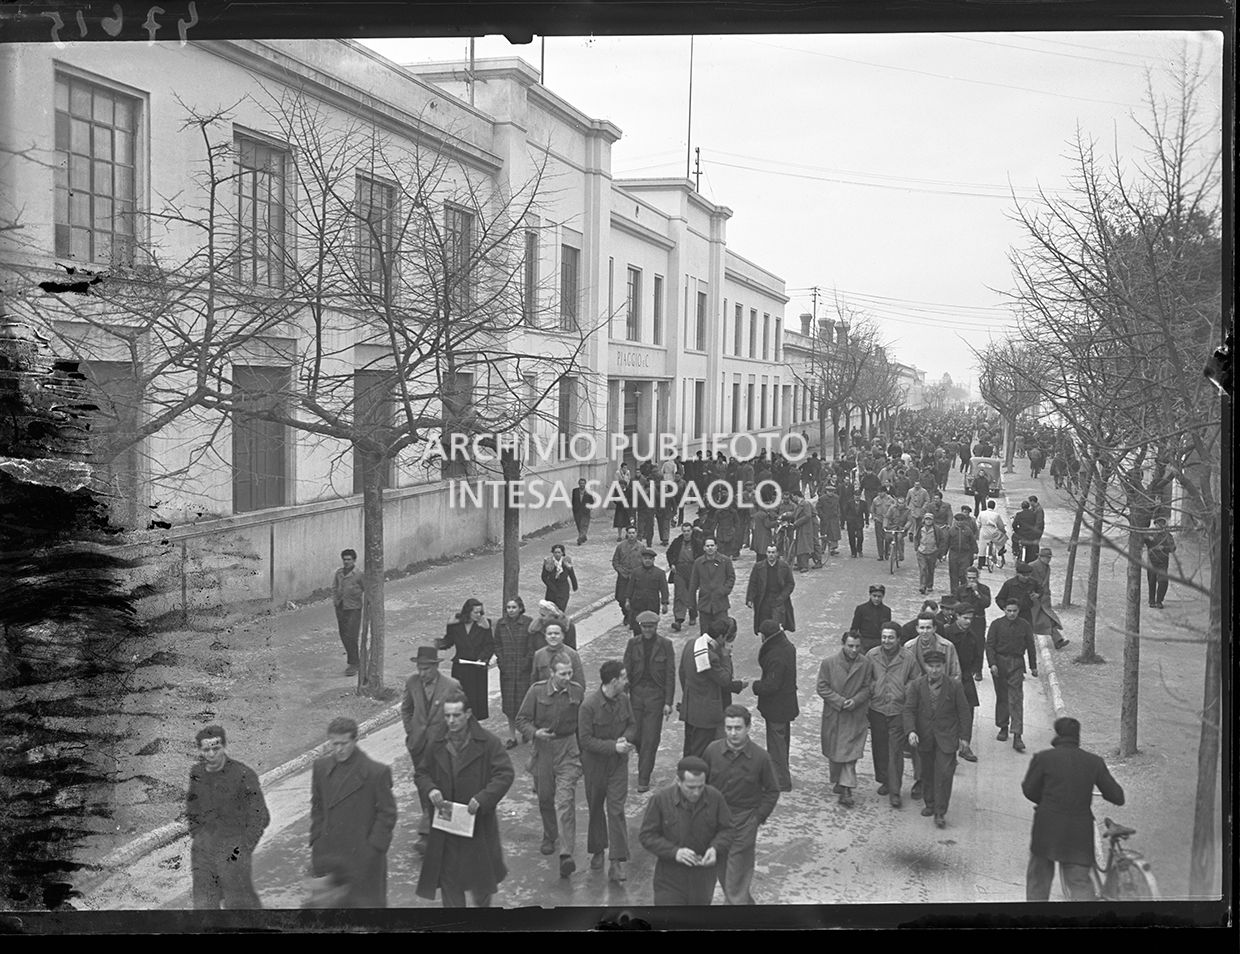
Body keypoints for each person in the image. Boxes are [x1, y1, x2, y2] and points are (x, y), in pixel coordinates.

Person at [414, 690, 516, 908]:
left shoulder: (488, 742)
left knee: (481, 888)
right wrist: (430, 789)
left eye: (456, 715)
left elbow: (505, 773)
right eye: (447, 716)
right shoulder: (436, 742)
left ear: (468, 714)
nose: (451, 721)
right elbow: (422, 773)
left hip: (477, 827)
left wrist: (483, 798)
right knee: (451, 887)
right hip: (447, 829)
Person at [1022, 716, 1126, 901]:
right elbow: (1117, 796)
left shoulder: (1043, 758)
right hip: (1078, 832)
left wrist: (1046, 800)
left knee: (1039, 880)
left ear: (1058, 734)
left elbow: (1029, 789)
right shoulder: (1094, 762)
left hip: (1047, 828)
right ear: (1077, 736)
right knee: (1079, 883)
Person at [309, 716, 397, 907]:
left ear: (355, 740)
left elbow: (387, 813)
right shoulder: (320, 768)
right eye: (334, 744)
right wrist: (317, 838)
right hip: (330, 856)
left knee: (366, 912)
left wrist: (373, 848)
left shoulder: (376, 772)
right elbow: (317, 806)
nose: (339, 749)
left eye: (344, 743)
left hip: (364, 858)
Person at [516, 654, 585, 878]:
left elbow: (583, 723)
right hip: (543, 749)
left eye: (569, 673)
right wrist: (535, 733)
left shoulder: (577, 691)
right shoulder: (536, 691)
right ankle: (549, 834)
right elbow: (521, 720)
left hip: (568, 749)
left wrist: (583, 755)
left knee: (565, 801)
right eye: (562, 673)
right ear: (552, 673)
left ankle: (566, 854)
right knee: (545, 797)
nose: (567, 677)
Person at [703, 705, 780, 905]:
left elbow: (772, 790)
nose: (733, 733)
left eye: (738, 728)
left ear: (748, 728)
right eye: (729, 728)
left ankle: (733, 918)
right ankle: (747, 909)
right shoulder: (712, 751)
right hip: (716, 822)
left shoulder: (760, 757)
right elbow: (701, 785)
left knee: (736, 875)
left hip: (744, 821)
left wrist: (757, 818)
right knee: (723, 871)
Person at [186, 725, 270, 909]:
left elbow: (261, 816)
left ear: (224, 747)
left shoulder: (243, 775)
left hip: (233, 850)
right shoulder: (197, 773)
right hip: (203, 850)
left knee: (240, 906)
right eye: (206, 749)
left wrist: (243, 848)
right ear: (200, 750)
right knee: (204, 906)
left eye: (216, 748)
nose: (211, 754)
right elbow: (192, 806)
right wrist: (198, 835)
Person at [639, 756, 735, 906]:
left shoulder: (715, 797)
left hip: (703, 879)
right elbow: (647, 835)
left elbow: (728, 829)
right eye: (690, 787)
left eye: (700, 786)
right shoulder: (660, 800)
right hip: (669, 878)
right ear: (678, 781)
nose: (696, 793)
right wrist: (674, 852)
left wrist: (716, 848)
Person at [578, 660, 637, 884]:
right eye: (623, 677)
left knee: (616, 809)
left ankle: (616, 861)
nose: (626, 681)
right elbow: (585, 740)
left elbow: (632, 725)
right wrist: (613, 746)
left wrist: (626, 738)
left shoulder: (624, 700)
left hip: (618, 764)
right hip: (595, 765)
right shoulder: (588, 706)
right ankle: (597, 850)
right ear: (613, 681)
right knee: (595, 807)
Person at [401, 646, 464, 854]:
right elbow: (407, 709)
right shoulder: (412, 682)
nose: (422, 673)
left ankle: (434, 834)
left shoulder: (452, 685)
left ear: (436, 667)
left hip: (443, 747)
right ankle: (432, 829)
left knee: (443, 787)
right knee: (424, 787)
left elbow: (461, 713)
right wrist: (411, 731)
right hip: (418, 745)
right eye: (419, 668)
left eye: (426, 669)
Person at [903, 650, 972, 829]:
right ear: (925, 667)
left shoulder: (954, 686)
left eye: (938, 667)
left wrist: (964, 737)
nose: (934, 670)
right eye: (931, 667)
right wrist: (911, 731)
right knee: (927, 773)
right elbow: (909, 709)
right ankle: (930, 803)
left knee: (944, 774)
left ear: (944, 667)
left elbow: (964, 712)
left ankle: (940, 812)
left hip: (947, 738)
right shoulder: (917, 685)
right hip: (924, 737)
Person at [816, 631, 875, 807]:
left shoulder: (865, 663)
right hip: (835, 714)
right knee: (835, 752)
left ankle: (847, 789)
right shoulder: (829, 663)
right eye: (850, 646)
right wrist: (841, 702)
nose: (854, 650)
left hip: (855, 714)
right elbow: (822, 687)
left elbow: (868, 687)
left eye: (857, 646)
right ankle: (838, 781)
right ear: (843, 644)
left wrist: (856, 700)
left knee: (850, 753)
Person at [623, 610, 677, 793]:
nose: (647, 630)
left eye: (651, 627)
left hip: (656, 696)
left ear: (656, 626)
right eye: (644, 627)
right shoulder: (632, 644)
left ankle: (643, 778)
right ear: (640, 627)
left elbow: (670, 674)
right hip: (636, 694)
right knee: (635, 736)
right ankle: (643, 757)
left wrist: (668, 702)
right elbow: (626, 670)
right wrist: (623, 696)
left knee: (651, 739)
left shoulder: (666, 645)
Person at [679, 619, 742, 759]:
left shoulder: (691, 644)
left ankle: (685, 773)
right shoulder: (711, 656)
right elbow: (725, 680)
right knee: (701, 750)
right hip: (705, 711)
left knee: (689, 745)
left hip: (690, 706)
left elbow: (682, 672)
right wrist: (725, 656)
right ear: (721, 637)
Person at [749, 619, 799, 792]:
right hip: (786, 703)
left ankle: (781, 780)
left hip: (776, 706)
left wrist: (756, 686)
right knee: (782, 742)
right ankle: (780, 776)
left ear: (765, 635)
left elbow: (772, 685)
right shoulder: (787, 647)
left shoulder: (775, 654)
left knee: (776, 744)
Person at [986, 599, 1039, 754]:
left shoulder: (1025, 625)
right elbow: (989, 645)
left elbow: (1030, 645)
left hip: (1016, 663)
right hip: (1000, 663)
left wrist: (1033, 666)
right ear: (1004, 610)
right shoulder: (996, 625)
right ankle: (1003, 726)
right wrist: (992, 664)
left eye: (1014, 611)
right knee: (1002, 697)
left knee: (1015, 698)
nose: (1011, 613)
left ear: (1018, 610)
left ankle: (1017, 735)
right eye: (1008, 610)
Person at [438, 598, 495, 720]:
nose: (479, 615)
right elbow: (449, 640)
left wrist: (482, 658)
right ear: (468, 611)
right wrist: (437, 644)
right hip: (460, 668)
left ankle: (475, 732)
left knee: (475, 706)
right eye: (476, 612)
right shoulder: (456, 625)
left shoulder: (485, 625)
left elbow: (489, 645)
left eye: (480, 612)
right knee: (460, 702)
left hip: (477, 669)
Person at [940, 602, 980, 762]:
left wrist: (972, 671)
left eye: (970, 618)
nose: (968, 622)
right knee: (948, 715)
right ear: (957, 617)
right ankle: (948, 751)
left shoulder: (972, 635)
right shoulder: (947, 633)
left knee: (967, 713)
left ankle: (965, 746)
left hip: (965, 679)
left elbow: (978, 655)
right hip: (948, 678)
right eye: (965, 618)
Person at [493, 598, 534, 749]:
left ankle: (525, 730)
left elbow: (532, 647)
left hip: (523, 672)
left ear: (520, 608)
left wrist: (526, 663)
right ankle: (512, 737)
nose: (510, 610)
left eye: (513, 607)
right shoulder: (501, 625)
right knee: (509, 705)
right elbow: (497, 645)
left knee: (524, 703)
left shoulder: (528, 623)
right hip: (508, 672)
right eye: (508, 607)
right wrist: (502, 663)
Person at [745, 543, 797, 636]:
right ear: (766, 553)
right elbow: (753, 583)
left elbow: (790, 584)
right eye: (769, 552)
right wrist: (750, 598)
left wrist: (782, 598)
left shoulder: (784, 566)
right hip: (763, 600)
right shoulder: (758, 567)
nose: (771, 555)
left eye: (773, 552)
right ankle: (765, 645)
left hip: (778, 600)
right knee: (764, 626)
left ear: (777, 553)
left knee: (777, 626)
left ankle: (776, 644)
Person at [687, 537, 737, 636]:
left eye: (712, 545)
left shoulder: (725, 561)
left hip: (720, 604)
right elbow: (693, 583)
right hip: (705, 604)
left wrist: (723, 590)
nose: (710, 548)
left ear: (716, 547)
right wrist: (691, 603)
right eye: (707, 546)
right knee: (705, 635)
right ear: (704, 548)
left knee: (722, 634)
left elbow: (731, 578)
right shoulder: (698, 563)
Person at [954, 566, 992, 682]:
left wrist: (977, 592)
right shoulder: (960, 589)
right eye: (969, 578)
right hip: (964, 620)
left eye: (974, 578)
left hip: (978, 620)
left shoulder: (984, 589)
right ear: (966, 577)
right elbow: (955, 604)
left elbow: (987, 603)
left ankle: (978, 670)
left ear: (978, 578)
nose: (971, 580)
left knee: (979, 644)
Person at [1029, 547, 1070, 650]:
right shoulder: (1032, 566)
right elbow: (1028, 582)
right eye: (1046, 557)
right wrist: (1033, 594)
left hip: (1044, 599)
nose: (1048, 559)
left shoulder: (1047, 568)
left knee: (1048, 620)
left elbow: (1046, 584)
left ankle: (1058, 640)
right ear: (1041, 557)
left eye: (1049, 558)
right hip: (1035, 600)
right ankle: (1057, 640)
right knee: (1043, 621)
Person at [331, 548, 364, 676]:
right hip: (340, 607)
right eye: (344, 559)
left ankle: (354, 663)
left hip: (354, 608)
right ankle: (354, 660)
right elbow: (334, 587)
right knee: (343, 635)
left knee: (352, 635)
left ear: (354, 560)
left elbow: (366, 588)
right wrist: (335, 601)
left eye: (349, 559)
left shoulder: (359, 574)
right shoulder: (339, 573)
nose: (346, 562)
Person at [625, 545, 670, 635]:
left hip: (652, 604)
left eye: (650, 558)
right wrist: (627, 600)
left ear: (653, 560)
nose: (647, 560)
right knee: (637, 628)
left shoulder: (659, 573)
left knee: (651, 628)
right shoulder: (636, 572)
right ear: (642, 559)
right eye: (645, 558)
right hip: (637, 604)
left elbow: (664, 589)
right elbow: (630, 587)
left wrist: (664, 603)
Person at [667, 522, 702, 631]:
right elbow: (669, 553)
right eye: (684, 531)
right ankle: (679, 619)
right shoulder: (677, 542)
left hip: (692, 570)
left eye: (688, 531)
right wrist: (672, 564)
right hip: (679, 570)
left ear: (692, 531)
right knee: (679, 594)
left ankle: (692, 614)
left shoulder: (697, 543)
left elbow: (701, 557)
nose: (686, 533)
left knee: (691, 593)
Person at [529, 621, 585, 688]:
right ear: (545, 637)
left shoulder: (572, 654)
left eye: (556, 633)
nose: (553, 636)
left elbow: (579, 682)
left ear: (563, 636)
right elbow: (534, 681)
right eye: (549, 634)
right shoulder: (539, 654)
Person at [612, 526, 644, 625]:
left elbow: (645, 561)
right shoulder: (621, 546)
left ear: (636, 534)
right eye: (629, 533)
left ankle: (631, 617)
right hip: (623, 577)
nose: (631, 535)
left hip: (636, 577)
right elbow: (615, 561)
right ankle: (626, 613)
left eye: (633, 533)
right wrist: (621, 572)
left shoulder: (641, 547)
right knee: (621, 598)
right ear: (626, 534)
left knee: (634, 599)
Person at [850, 584, 893, 655]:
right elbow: (854, 628)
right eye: (874, 596)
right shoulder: (861, 609)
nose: (876, 598)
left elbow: (888, 629)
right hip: (864, 642)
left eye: (879, 596)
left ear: (883, 596)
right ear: (870, 595)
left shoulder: (886, 610)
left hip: (880, 642)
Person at [1145, 517, 1176, 609]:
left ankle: (1159, 600)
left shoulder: (1168, 536)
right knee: (1151, 581)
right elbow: (1141, 539)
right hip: (1151, 561)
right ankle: (1151, 601)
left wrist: (1164, 548)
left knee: (1163, 582)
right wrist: (1147, 537)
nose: (1159, 526)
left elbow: (1173, 548)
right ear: (1155, 524)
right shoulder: (1150, 534)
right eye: (1157, 524)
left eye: (1161, 524)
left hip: (1163, 562)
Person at [914, 513, 948, 595]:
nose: (928, 521)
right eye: (926, 519)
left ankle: (929, 585)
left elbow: (942, 540)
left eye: (930, 519)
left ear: (933, 521)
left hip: (932, 552)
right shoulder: (920, 528)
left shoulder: (937, 530)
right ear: (924, 520)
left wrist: (940, 552)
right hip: (921, 551)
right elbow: (916, 537)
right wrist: (916, 547)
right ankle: (922, 586)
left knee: (930, 569)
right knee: (923, 568)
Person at [945, 511, 978, 593]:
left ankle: (963, 592)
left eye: (961, 520)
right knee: (953, 574)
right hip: (954, 554)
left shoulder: (968, 530)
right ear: (955, 521)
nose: (960, 522)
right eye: (958, 520)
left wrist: (975, 552)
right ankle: (954, 593)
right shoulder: (951, 531)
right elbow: (946, 543)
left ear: (964, 521)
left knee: (964, 574)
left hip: (965, 555)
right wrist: (943, 554)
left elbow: (973, 542)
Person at [541, 544, 579, 612]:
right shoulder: (548, 562)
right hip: (551, 591)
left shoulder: (566, 561)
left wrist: (575, 586)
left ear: (562, 553)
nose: (557, 554)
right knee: (550, 610)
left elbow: (572, 574)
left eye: (559, 552)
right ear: (553, 553)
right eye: (555, 552)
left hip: (563, 590)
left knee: (560, 610)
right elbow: (544, 577)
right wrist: (551, 586)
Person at [977, 499, 1008, 571]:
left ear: (987, 505)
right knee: (1001, 539)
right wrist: (1004, 531)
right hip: (993, 530)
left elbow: (978, 523)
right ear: (994, 507)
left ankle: (980, 564)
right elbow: (1000, 526)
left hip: (984, 530)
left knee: (982, 547)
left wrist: (978, 531)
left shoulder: (982, 513)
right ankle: (1000, 550)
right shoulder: (996, 515)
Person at [816, 484, 841, 557]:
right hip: (825, 519)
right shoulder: (822, 498)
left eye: (832, 491)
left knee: (834, 534)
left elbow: (838, 507)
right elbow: (818, 508)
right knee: (824, 534)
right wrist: (822, 516)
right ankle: (822, 549)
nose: (831, 493)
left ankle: (833, 549)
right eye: (829, 491)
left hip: (834, 518)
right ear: (826, 491)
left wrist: (838, 515)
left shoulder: (836, 498)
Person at [571, 478, 597, 545]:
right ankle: (583, 536)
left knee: (584, 525)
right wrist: (574, 508)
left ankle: (580, 538)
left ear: (585, 484)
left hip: (585, 511)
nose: (582, 484)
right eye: (580, 483)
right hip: (577, 511)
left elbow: (592, 501)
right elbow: (573, 501)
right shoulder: (575, 491)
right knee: (579, 525)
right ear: (578, 484)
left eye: (583, 483)